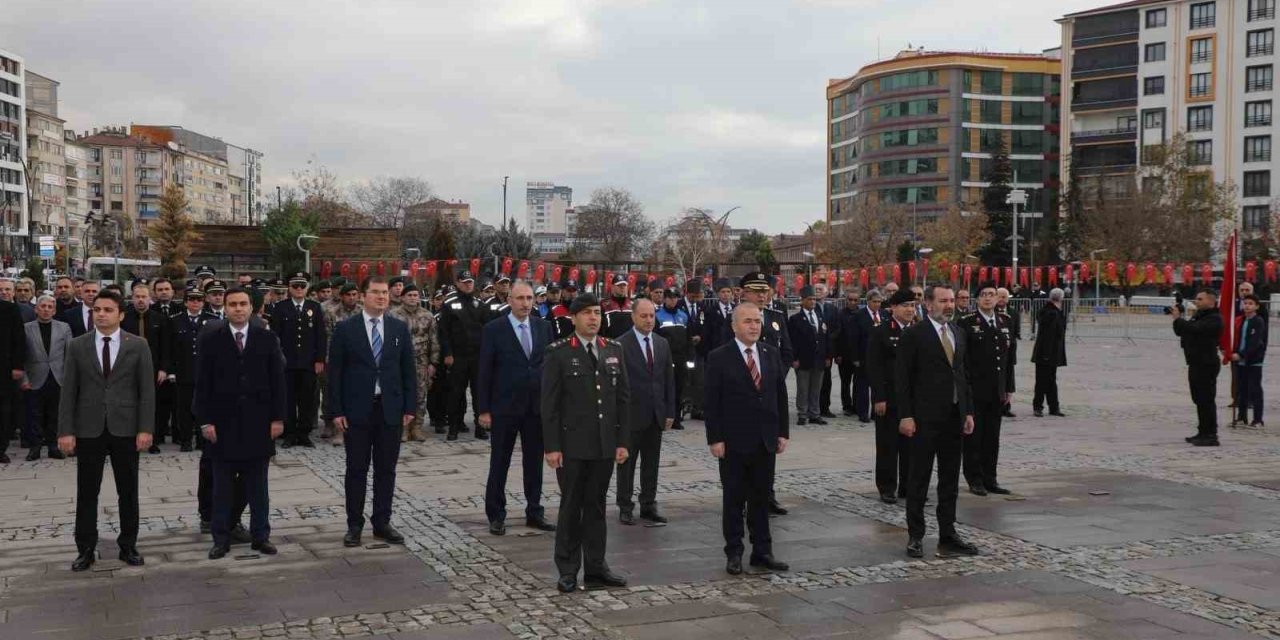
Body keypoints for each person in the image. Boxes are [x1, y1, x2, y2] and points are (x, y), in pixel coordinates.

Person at [58, 289, 154, 571]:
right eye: (97, 309)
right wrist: (66, 431)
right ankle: (86, 548)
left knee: (128, 490)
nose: (101, 314)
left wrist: (145, 428)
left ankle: (128, 545)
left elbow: (146, 391)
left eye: (108, 310)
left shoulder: (138, 345)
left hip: (125, 428)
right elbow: (69, 392)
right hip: (89, 429)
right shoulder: (78, 345)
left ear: (121, 315)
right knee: (87, 491)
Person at [541, 293, 630, 593]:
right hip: (572, 445)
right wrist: (552, 447)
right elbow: (549, 405)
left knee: (596, 507)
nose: (594, 318)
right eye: (587, 313)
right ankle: (568, 568)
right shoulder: (559, 352)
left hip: (604, 445)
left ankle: (596, 566)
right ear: (573, 318)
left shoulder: (613, 349)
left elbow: (623, 401)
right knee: (571, 508)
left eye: (597, 312)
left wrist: (622, 441)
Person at [196, 287, 287, 559]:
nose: (238, 308)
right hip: (222, 425)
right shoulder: (212, 339)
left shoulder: (266, 338)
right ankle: (220, 539)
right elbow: (203, 385)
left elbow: (278, 382)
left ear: (251, 308)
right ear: (224, 307)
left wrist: (278, 418)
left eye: (243, 304)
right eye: (233, 304)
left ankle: (261, 536)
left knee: (258, 487)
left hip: (259, 424)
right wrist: (205, 421)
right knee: (222, 487)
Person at [329, 276, 417, 547]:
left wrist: (409, 407)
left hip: (389, 408)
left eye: (384, 293)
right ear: (363, 296)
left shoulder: (398, 328)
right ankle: (354, 524)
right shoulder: (346, 329)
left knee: (386, 470)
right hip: (357, 410)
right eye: (375, 292)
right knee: (356, 469)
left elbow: (407, 371)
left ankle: (382, 522)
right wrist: (336, 410)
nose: (381, 297)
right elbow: (335, 374)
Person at [705, 303, 789, 575]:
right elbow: (712, 402)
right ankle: (734, 551)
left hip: (764, 440)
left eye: (757, 321)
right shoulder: (719, 357)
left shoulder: (770, 353)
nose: (754, 326)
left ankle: (762, 551)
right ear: (734, 326)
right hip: (733, 441)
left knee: (761, 498)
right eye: (748, 321)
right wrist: (715, 438)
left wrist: (782, 432)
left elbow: (780, 396)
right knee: (734, 499)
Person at [895, 284, 978, 559]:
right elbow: (902, 380)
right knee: (918, 479)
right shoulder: (914, 335)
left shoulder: (958, 332)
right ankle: (915, 536)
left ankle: (948, 533)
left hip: (953, 418)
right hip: (923, 419)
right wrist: (906, 415)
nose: (949, 305)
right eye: (943, 301)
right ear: (928, 304)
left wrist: (967, 411)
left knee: (949, 480)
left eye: (952, 300)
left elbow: (963, 374)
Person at [476, 282, 555, 535]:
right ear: (509, 299)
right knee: (500, 461)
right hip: (504, 407)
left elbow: (549, 368)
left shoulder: (543, 327)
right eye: (520, 298)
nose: (525, 303)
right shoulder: (494, 329)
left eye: (529, 298)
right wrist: (484, 409)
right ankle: (496, 514)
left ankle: (534, 511)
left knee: (534, 462)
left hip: (535, 408)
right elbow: (485, 371)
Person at [615, 299, 675, 525]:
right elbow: (617, 384)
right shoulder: (620, 344)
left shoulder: (661, 343)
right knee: (626, 464)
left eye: (652, 315)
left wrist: (670, 410)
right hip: (631, 416)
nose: (649, 320)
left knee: (651, 464)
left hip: (655, 414)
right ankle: (625, 506)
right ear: (633, 317)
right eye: (644, 316)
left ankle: (648, 504)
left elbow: (668, 379)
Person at [957, 283, 1013, 497]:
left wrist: (1009, 388)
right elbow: (963, 361)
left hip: (996, 389)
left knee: (992, 437)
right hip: (975, 389)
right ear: (976, 299)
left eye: (992, 294)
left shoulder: (1005, 321)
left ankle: (991, 478)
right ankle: (975, 479)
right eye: (984, 295)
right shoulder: (967, 323)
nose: (989, 299)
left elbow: (1008, 359)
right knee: (974, 437)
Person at [866, 289, 916, 503]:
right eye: (905, 305)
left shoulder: (919, 331)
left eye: (912, 306)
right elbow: (874, 366)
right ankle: (887, 487)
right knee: (888, 444)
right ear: (893, 308)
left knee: (911, 446)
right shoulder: (882, 331)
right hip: (889, 397)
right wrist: (879, 397)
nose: (910, 310)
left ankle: (908, 486)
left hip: (913, 399)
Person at [271, 272, 327, 449]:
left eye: (302, 286)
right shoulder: (281, 307)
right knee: (287, 399)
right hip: (287, 363)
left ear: (307, 288)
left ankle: (304, 433)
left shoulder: (315, 307)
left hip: (308, 363)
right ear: (289, 288)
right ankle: (290, 434)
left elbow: (320, 336)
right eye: (295, 286)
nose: (299, 289)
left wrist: (319, 359)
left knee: (307, 400)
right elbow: (275, 336)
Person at [121, 281, 171, 454]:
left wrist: (164, 369)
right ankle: (131, 438)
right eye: (137, 297)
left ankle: (153, 440)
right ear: (132, 298)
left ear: (150, 298)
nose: (141, 300)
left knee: (151, 404)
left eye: (144, 297)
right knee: (130, 404)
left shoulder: (160, 319)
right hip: (128, 369)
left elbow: (166, 347)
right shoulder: (124, 318)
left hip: (153, 369)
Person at [439, 271, 489, 441]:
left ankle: (480, 427)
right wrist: (447, 354)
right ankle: (453, 427)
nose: (468, 285)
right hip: (457, 356)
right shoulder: (449, 304)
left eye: (471, 282)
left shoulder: (479, 304)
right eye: (465, 282)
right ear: (458, 283)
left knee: (479, 393)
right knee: (456, 393)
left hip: (477, 357)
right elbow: (443, 332)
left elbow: (487, 329)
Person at [20, 295, 70, 461]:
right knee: (34, 415)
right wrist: (24, 378)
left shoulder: (64, 328)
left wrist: (69, 378)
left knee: (55, 414)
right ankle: (35, 447)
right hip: (34, 378)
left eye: (50, 307)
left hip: (58, 377)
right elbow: (21, 356)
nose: (46, 309)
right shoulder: (26, 328)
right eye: (43, 306)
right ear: (36, 308)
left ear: (54, 310)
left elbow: (69, 355)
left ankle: (53, 446)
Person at [1171, 289, 1224, 447]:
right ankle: (1202, 431)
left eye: (1200, 299)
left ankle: (1211, 435)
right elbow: (1181, 331)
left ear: (1211, 301)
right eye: (1196, 298)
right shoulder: (1199, 315)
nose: (1196, 301)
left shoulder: (1215, 318)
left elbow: (1196, 330)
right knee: (1198, 399)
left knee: (1206, 400)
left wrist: (1180, 320)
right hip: (1195, 362)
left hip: (1206, 363)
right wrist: (1178, 318)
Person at [168, 286, 217, 453]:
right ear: (186, 302)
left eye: (199, 299)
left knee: (204, 407)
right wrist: (171, 371)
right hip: (184, 372)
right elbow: (171, 348)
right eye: (191, 299)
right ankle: (186, 440)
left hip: (205, 372)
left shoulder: (212, 319)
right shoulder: (175, 320)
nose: (195, 302)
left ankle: (203, 440)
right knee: (184, 409)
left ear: (204, 302)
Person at [388, 284, 439, 441]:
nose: (412, 298)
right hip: (398, 362)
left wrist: (433, 363)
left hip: (421, 361)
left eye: (415, 295)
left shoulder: (427, 315)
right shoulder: (392, 315)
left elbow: (434, 341)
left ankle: (416, 427)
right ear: (402, 297)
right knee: (400, 394)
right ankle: (403, 428)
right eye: (409, 295)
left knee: (419, 395)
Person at [787, 286, 831, 425]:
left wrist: (828, 356)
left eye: (814, 299)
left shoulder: (819, 316)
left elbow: (825, 338)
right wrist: (794, 358)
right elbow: (792, 340)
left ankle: (815, 413)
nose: (812, 302)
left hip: (818, 358)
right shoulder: (795, 319)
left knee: (816, 388)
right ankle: (802, 413)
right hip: (803, 359)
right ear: (802, 300)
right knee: (803, 388)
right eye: (809, 299)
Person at [654, 288, 690, 430]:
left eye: (675, 297)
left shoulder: (683, 316)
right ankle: (663, 416)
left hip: (680, 357)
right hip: (665, 358)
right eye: (670, 297)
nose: (673, 300)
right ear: (665, 299)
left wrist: (689, 356)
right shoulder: (658, 316)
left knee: (679, 387)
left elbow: (688, 337)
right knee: (664, 388)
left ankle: (676, 417)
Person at [1031, 288, 1067, 418]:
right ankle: (1039, 407)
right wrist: (1046, 354)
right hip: (1046, 353)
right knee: (1042, 381)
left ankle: (1053, 407)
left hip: (1050, 353)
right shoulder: (1051, 313)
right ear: (1060, 298)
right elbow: (1048, 336)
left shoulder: (1052, 311)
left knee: (1050, 381)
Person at [1232, 294, 1267, 428]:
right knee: (1241, 389)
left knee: (1255, 389)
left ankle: (1258, 419)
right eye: (1245, 303)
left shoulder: (1258, 321)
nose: (1247, 306)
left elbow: (1255, 342)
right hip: (1241, 361)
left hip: (1253, 361)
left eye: (1250, 303)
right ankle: (1242, 417)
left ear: (1256, 306)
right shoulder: (1241, 321)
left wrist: (1241, 354)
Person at [852, 289, 886, 423]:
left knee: (877, 385)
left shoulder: (883, 315)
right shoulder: (859, 315)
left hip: (879, 357)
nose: (877, 304)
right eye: (875, 302)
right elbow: (853, 338)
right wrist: (855, 357)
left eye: (879, 302)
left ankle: (875, 413)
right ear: (868, 301)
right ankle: (862, 412)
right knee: (862, 387)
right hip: (863, 356)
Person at [0, 292, 24, 464]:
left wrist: (17, 366)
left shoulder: (9, 309)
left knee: (3, 411)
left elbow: (18, 338)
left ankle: (1, 448)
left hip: (4, 369)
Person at [812, 283, 839, 419]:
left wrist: (828, 337)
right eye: (815, 289)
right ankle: (812, 408)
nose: (818, 291)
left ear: (827, 292)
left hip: (827, 350)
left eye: (820, 289)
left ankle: (825, 407)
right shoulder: (810, 308)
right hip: (814, 350)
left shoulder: (832, 309)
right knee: (813, 381)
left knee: (827, 380)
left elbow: (837, 328)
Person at [835, 288, 862, 417]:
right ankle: (847, 406)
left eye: (855, 300)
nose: (852, 302)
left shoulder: (862, 314)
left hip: (857, 355)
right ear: (846, 300)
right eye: (850, 300)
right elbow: (837, 336)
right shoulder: (840, 314)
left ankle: (857, 405)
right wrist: (837, 354)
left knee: (858, 383)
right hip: (844, 355)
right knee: (845, 383)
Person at [996, 288, 1019, 418]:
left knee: (1009, 379)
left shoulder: (1013, 313)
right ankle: (997, 406)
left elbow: (1015, 332)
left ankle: (1006, 407)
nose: (1002, 299)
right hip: (997, 353)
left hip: (1010, 352)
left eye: (1004, 296)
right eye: (1000, 296)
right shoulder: (992, 312)